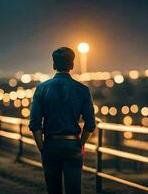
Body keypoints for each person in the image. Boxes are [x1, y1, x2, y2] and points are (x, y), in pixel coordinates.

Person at [29, 47, 96, 194]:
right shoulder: (82, 90)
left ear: (54, 65)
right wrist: (80, 143)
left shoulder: (41, 89)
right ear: (72, 65)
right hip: (73, 145)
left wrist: (42, 147)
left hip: (50, 144)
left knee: (53, 189)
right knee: (74, 190)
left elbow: (34, 123)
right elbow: (90, 124)